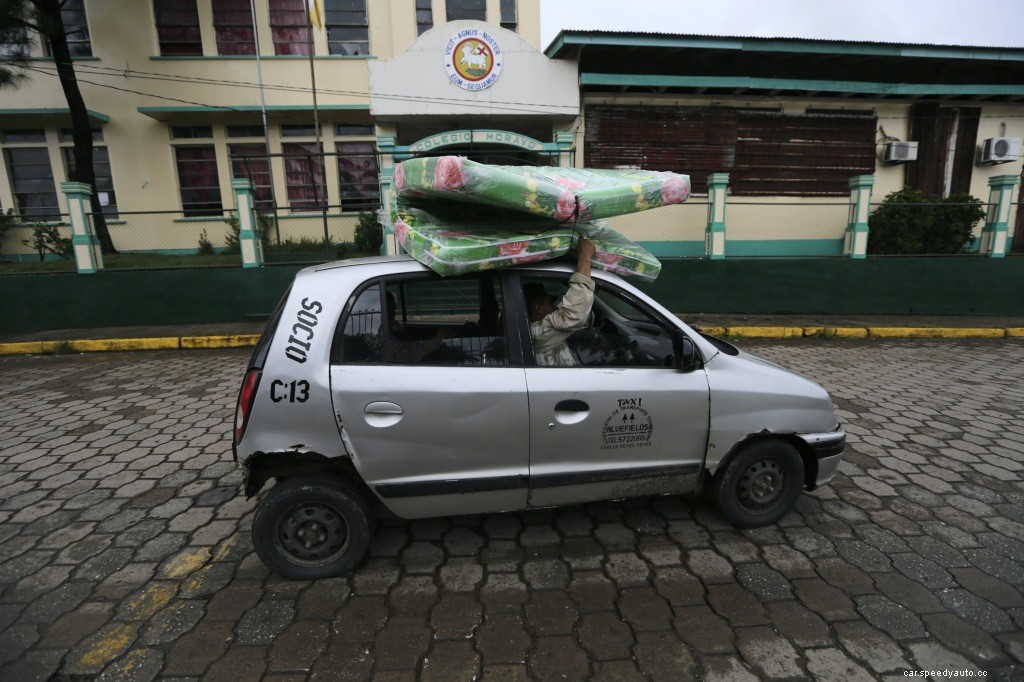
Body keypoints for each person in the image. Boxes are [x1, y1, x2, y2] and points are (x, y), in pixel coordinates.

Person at [523, 237, 596, 366]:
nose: (554, 306)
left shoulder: (527, 329)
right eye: (549, 302)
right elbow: (573, 314)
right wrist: (585, 256)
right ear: (538, 309)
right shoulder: (538, 334)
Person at [366, 291, 447, 363]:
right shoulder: (382, 336)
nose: (393, 313)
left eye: (393, 309)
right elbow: (414, 354)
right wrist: (439, 338)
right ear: (380, 312)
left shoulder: (393, 328)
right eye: (389, 309)